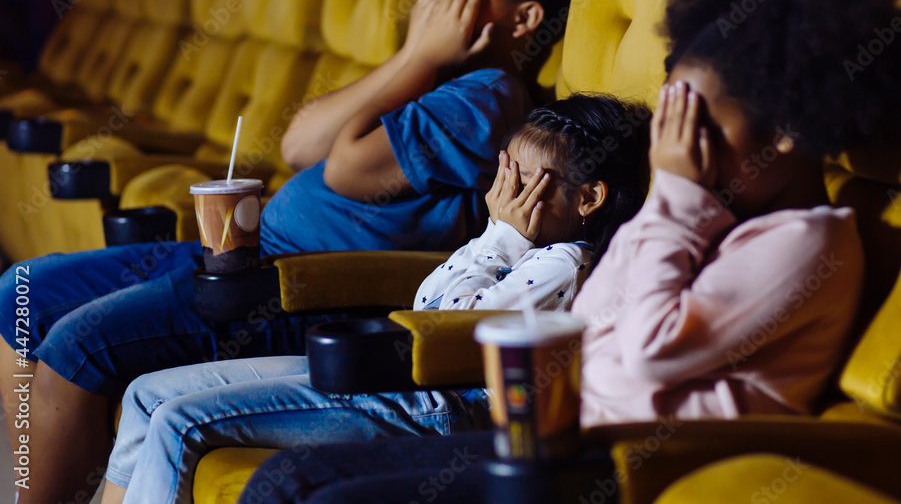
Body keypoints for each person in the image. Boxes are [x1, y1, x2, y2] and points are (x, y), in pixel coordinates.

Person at [237, 0, 901, 503]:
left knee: (303, 493)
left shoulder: (803, 242)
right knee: (291, 477)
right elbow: (592, 325)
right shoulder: (708, 216)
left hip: (615, 471)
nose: (671, 146)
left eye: (695, 122)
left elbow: (647, 356)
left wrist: (675, 199)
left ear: (789, 129)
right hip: (550, 443)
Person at [0, 0, 580, 504]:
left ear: (525, 17)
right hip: (251, 252)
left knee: (80, 344)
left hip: (306, 285)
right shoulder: (431, 77)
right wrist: (414, 57)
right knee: (20, 292)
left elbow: (346, 170)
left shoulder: (484, 96)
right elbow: (297, 144)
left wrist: (418, 54)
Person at [98, 95, 651, 504]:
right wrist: (495, 238)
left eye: (523, 179)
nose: (501, 194)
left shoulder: (564, 265)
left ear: (588, 198)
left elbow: (441, 323)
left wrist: (501, 236)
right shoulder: (521, 247)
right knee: (146, 395)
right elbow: (425, 300)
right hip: (398, 377)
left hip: (439, 406)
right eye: (503, 172)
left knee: (178, 422)